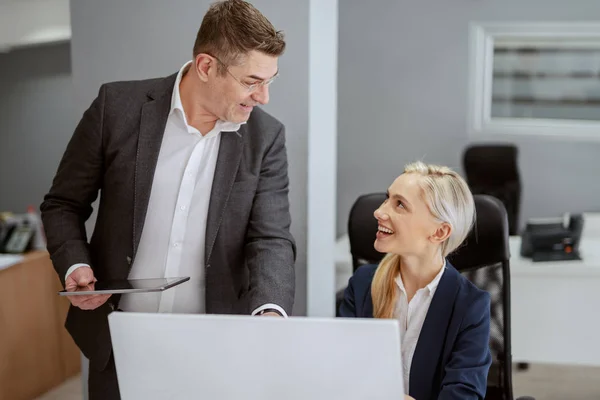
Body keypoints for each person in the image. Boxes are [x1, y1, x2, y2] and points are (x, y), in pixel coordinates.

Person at [40, 1, 295, 398]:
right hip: (118, 342)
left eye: (270, 81)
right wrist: (75, 263)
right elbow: (63, 204)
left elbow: (271, 238)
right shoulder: (116, 108)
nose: (262, 97)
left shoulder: (266, 139)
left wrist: (270, 309)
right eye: (251, 81)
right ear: (207, 66)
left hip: (215, 348)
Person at [339, 161, 492, 400]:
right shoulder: (362, 284)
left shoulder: (470, 306)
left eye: (400, 205)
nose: (379, 212)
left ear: (439, 232)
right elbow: (341, 376)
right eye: (387, 198)